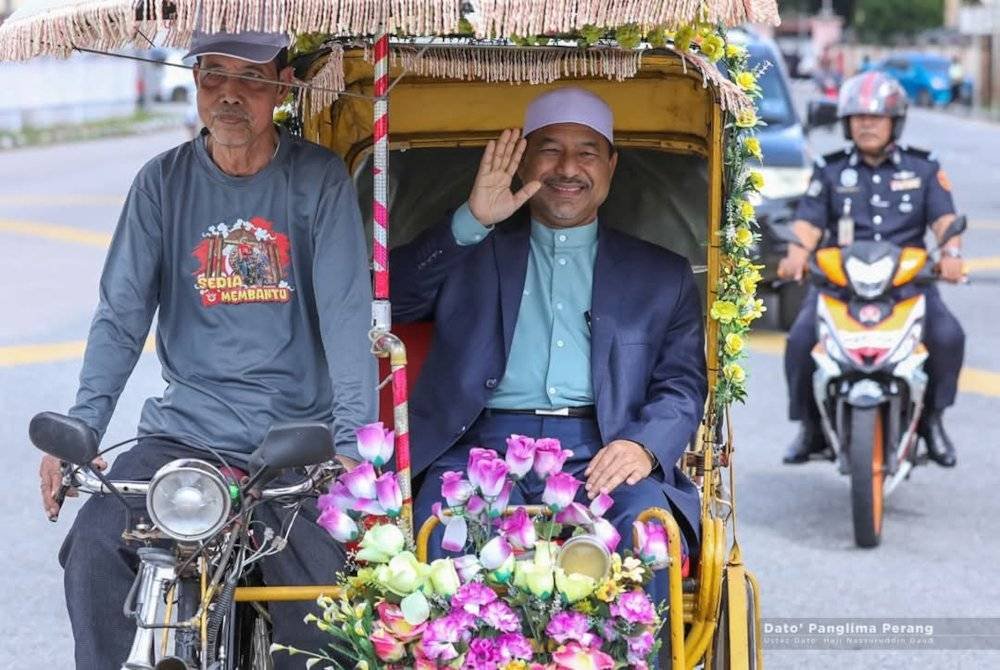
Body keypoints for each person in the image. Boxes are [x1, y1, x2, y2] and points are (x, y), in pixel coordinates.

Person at [37, 30, 376, 669]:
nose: (229, 95)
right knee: (94, 549)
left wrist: (354, 454)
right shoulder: (161, 183)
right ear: (194, 82)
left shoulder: (318, 181)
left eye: (250, 77)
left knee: (326, 598)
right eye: (213, 75)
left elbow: (345, 319)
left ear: (282, 85)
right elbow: (119, 319)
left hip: (294, 444)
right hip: (184, 439)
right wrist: (83, 426)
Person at [391, 87, 708, 605]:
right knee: (454, 536)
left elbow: (681, 385)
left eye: (586, 151)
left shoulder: (661, 275)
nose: (567, 168)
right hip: (478, 446)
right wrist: (472, 220)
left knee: (647, 533)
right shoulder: (470, 249)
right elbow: (389, 301)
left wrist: (642, 446)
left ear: (611, 164)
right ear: (523, 163)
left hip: (605, 447)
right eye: (549, 149)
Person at [778, 70, 964, 467]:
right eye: (858, 117)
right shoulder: (829, 170)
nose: (866, 124)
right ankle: (809, 427)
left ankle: (932, 421)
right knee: (798, 342)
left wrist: (951, 254)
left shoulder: (924, 169)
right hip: (840, 287)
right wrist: (795, 254)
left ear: (894, 122)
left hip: (908, 286)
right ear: (847, 123)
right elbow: (809, 224)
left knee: (948, 337)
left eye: (875, 117)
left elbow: (945, 221)